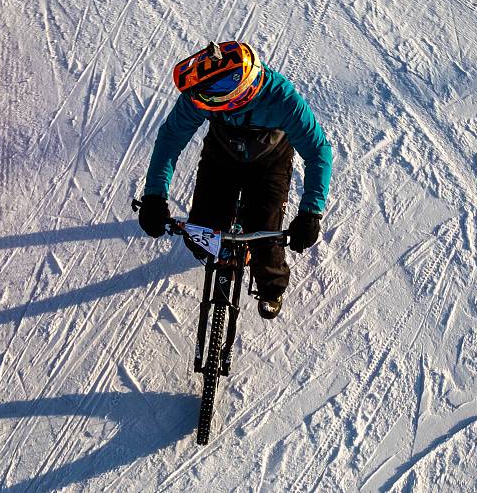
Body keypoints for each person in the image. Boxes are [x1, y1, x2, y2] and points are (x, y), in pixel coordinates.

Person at [137, 41, 332, 318]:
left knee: (265, 240)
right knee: (200, 234)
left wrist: (311, 212)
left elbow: (318, 150)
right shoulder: (202, 90)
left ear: (243, 93)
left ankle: (271, 289)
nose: (204, 104)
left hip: (269, 161)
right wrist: (154, 196)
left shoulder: (282, 100)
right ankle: (221, 248)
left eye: (212, 103)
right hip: (222, 155)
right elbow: (171, 138)